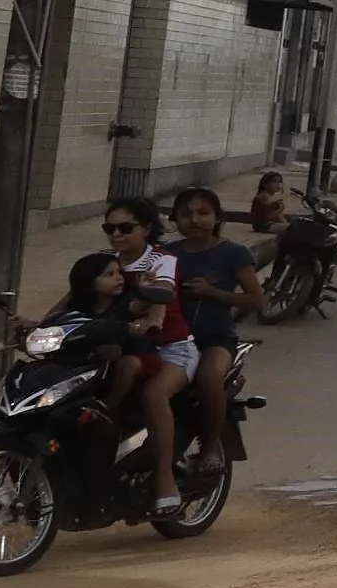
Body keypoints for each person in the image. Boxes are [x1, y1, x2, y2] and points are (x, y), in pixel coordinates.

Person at [95, 199, 190, 517]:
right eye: (110, 228)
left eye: (125, 228)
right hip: (123, 347)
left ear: (147, 229)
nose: (116, 234)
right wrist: (39, 325)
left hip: (173, 349)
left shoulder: (161, 261)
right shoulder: (106, 262)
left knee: (153, 394)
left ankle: (165, 479)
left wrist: (153, 317)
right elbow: (74, 296)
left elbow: (162, 292)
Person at [164, 187, 254, 472]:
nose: (195, 220)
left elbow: (255, 298)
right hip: (173, 339)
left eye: (203, 213)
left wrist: (212, 293)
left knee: (208, 378)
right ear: (174, 220)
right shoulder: (167, 254)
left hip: (215, 339)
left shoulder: (234, 254)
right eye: (186, 214)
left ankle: (211, 444)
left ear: (217, 218)